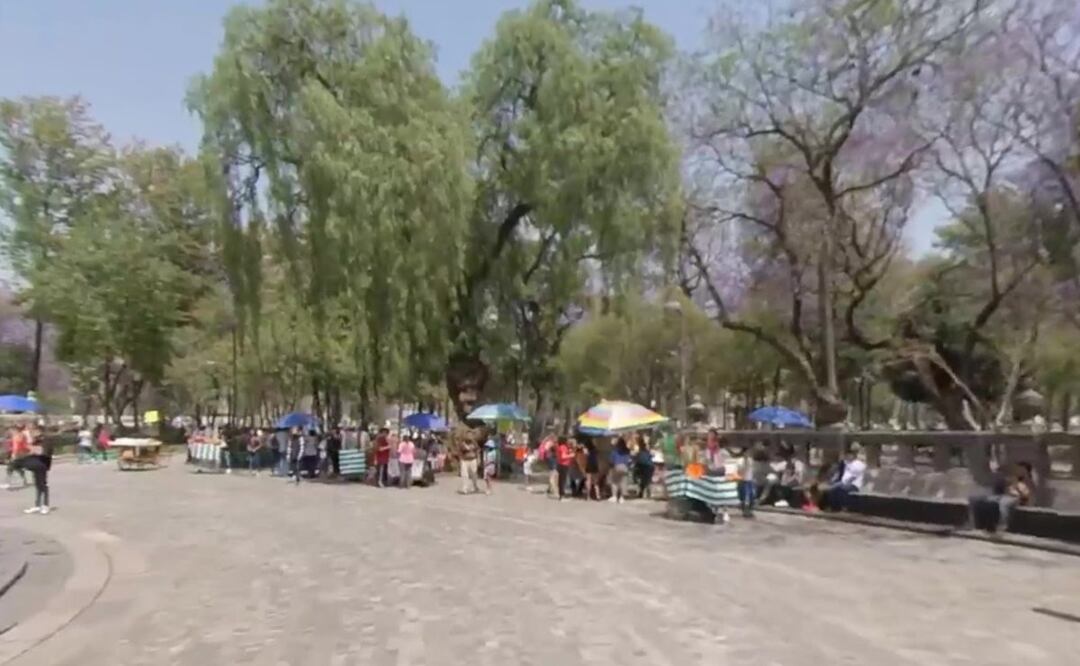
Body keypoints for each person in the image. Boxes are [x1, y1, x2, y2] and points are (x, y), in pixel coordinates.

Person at [968, 462, 1033, 533]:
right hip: (1004, 496)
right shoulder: (1010, 480)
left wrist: (1016, 487)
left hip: (1015, 499)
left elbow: (1025, 496)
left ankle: (1002, 524)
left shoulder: (1024, 484)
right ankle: (980, 523)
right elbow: (1001, 488)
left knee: (1004, 504)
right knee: (982, 500)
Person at [822, 444, 867, 511]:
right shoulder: (846, 463)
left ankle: (843, 508)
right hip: (844, 484)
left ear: (853, 456)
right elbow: (838, 473)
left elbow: (852, 478)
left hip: (854, 485)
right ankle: (834, 507)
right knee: (833, 490)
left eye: (849, 455)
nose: (847, 457)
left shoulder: (858, 464)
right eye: (846, 455)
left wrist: (840, 484)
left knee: (839, 488)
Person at [20, 435, 52, 515]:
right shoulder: (36, 441)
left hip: (42, 466)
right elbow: (31, 452)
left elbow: (42, 452)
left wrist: (32, 448)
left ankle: (45, 505)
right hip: (36, 466)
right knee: (37, 485)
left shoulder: (46, 441)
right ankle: (37, 505)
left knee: (43, 485)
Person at [609, 437, 632, 504]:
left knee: (614, 482)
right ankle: (622, 497)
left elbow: (611, 460)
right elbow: (630, 460)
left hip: (617, 466)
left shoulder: (615, 450)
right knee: (623, 482)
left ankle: (614, 496)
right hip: (625, 467)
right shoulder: (627, 451)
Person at [555, 436, 574, 501]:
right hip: (564, 464)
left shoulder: (559, 446)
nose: (568, 441)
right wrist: (570, 455)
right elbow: (563, 456)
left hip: (560, 464)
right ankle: (562, 496)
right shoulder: (563, 447)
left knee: (561, 480)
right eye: (567, 440)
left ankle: (561, 494)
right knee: (563, 480)